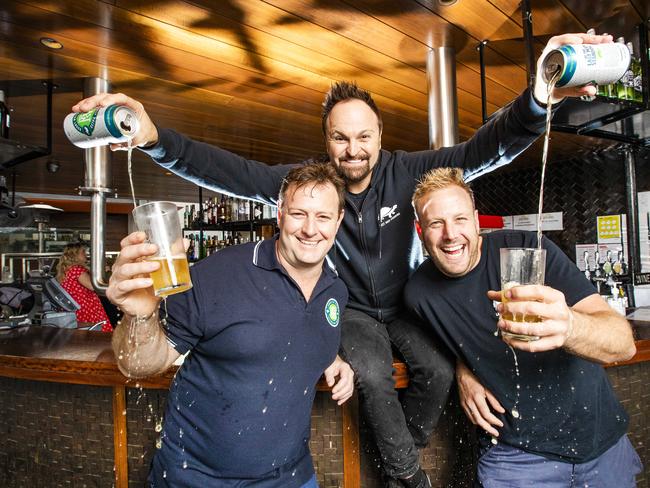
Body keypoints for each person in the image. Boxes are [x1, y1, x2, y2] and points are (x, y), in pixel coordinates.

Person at [74, 32, 612, 487]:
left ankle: (405, 448)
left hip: (408, 307)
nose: (352, 149)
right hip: (350, 311)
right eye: (339, 137)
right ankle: (405, 472)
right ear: (326, 141)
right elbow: (226, 171)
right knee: (375, 373)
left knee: (438, 369)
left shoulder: (409, 172)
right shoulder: (311, 187)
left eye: (363, 137)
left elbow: (485, 149)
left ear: (380, 136)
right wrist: (152, 139)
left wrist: (540, 96)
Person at [109, 163, 354, 487]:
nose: (311, 229)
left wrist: (334, 359)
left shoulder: (335, 291)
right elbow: (138, 365)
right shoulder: (217, 275)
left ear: (337, 221)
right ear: (279, 213)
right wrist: (140, 316)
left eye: (323, 217)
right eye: (298, 214)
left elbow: (297, 334)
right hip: (196, 477)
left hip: (291, 476)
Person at [404, 167, 642, 487]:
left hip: (602, 447)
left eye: (460, 219)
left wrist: (569, 327)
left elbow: (623, 343)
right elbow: (432, 341)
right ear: (421, 232)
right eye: (436, 223)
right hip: (515, 459)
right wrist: (463, 367)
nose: (450, 234)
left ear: (476, 222)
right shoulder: (419, 293)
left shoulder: (527, 249)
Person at [56, 242, 112, 332]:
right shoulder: (77, 269)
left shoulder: (66, 270)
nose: (86, 254)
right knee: (99, 333)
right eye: (83, 252)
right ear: (75, 255)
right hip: (87, 308)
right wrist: (103, 274)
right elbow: (93, 286)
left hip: (76, 307)